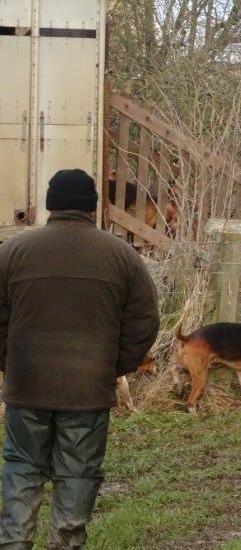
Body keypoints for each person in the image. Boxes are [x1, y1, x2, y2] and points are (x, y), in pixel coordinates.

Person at [0, 169, 160, 549]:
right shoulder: (123, 256)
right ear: (93, 207)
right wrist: (112, 365)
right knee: (78, 474)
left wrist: (10, 360)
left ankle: (13, 543)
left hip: (27, 386)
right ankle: (66, 543)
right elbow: (144, 321)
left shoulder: (12, 252)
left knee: (23, 468)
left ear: (50, 204)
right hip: (88, 390)